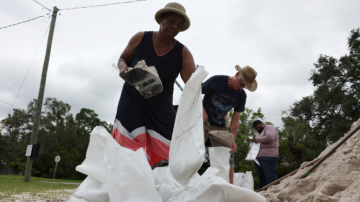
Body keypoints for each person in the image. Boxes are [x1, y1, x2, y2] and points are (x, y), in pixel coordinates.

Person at [111, 2, 196, 165]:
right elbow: (123, 58)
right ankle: (128, 178)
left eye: (179, 25)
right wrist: (123, 68)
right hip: (132, 99)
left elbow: (192, 84)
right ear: (161, 19)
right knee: (128, 145)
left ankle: (155, 177)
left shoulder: (183, 52)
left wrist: (198, 75)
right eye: (172, 21)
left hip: (161, 106)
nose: (175, 26)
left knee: (174, 146)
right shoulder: (141, 38)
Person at [202, 65, 258, 184]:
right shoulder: (216, 81)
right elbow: (195, 92)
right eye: (242, 84)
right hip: (202, 120)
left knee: (229, 152)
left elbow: (235, 120)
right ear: (237, 74)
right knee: (194, 149)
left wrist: (232, 139)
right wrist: (201, 108)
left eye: (245, 87)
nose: (242, 88)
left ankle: (229, 187)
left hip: (220, 125)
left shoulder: (241, 95)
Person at [251, 120, 279, 189]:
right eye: (255, 129)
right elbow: (259, 140)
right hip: (258, 158)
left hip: (268, 156)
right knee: (262, 178)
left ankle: (274, 191)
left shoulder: (269, 127)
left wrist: (256, 140)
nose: (257, 130)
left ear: (261, 124)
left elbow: (270, 137)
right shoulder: (259, 133)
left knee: (270, 177)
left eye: (257, 128)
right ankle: (264, 194)